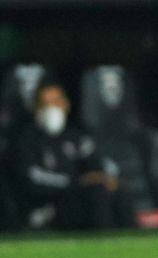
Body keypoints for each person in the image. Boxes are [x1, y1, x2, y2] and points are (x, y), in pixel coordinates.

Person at [9, 79, 135, 231]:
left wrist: (105, 177)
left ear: (66, 104)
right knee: (96, 194)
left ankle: (131, 241)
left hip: (79, 197)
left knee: (116, 190)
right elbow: (33, 179)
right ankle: (104, 242)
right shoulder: (26, 140)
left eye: (56, 102)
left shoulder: (75, 137)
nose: (52, 108)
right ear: (35, 108)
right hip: (49, 206)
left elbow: (99, 163)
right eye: (45, 104)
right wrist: (76, 182)